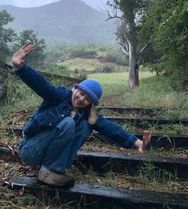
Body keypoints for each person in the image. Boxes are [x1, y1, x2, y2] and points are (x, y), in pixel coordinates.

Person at [12, 44, 151, 187]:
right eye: (82, 93)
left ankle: (56, 169)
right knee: (68, 123)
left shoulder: (86, 112)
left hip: (46, 153)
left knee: (86, 125)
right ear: (75, 88)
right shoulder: (59, 96)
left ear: (90, 103)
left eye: (87, 99)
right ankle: (47, 172)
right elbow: (41, 84)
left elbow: (110, 128)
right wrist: (21, 67)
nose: (81, 99)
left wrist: (137, 142)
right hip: (31, 150)